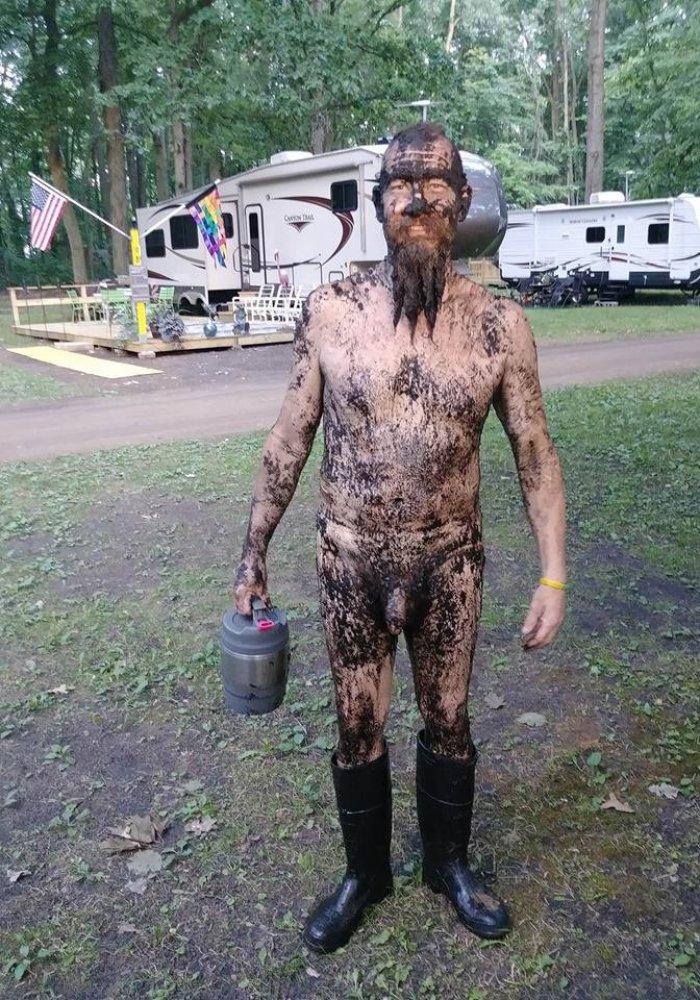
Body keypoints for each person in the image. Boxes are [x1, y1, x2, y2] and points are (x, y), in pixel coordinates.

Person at [234, 122, 566, 953]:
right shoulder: (332, 312)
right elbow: (288, 439)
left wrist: (553, 574)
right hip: (350, 557)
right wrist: (253, 551)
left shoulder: (499, 326)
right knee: (357, 727)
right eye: (400, 188)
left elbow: (534, 450)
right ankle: (366, 874)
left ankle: (448, 866)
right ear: (378, 203)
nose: (417, 203)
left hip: (450, 560)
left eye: (435, 186)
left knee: (448, 719)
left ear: (463, 202)